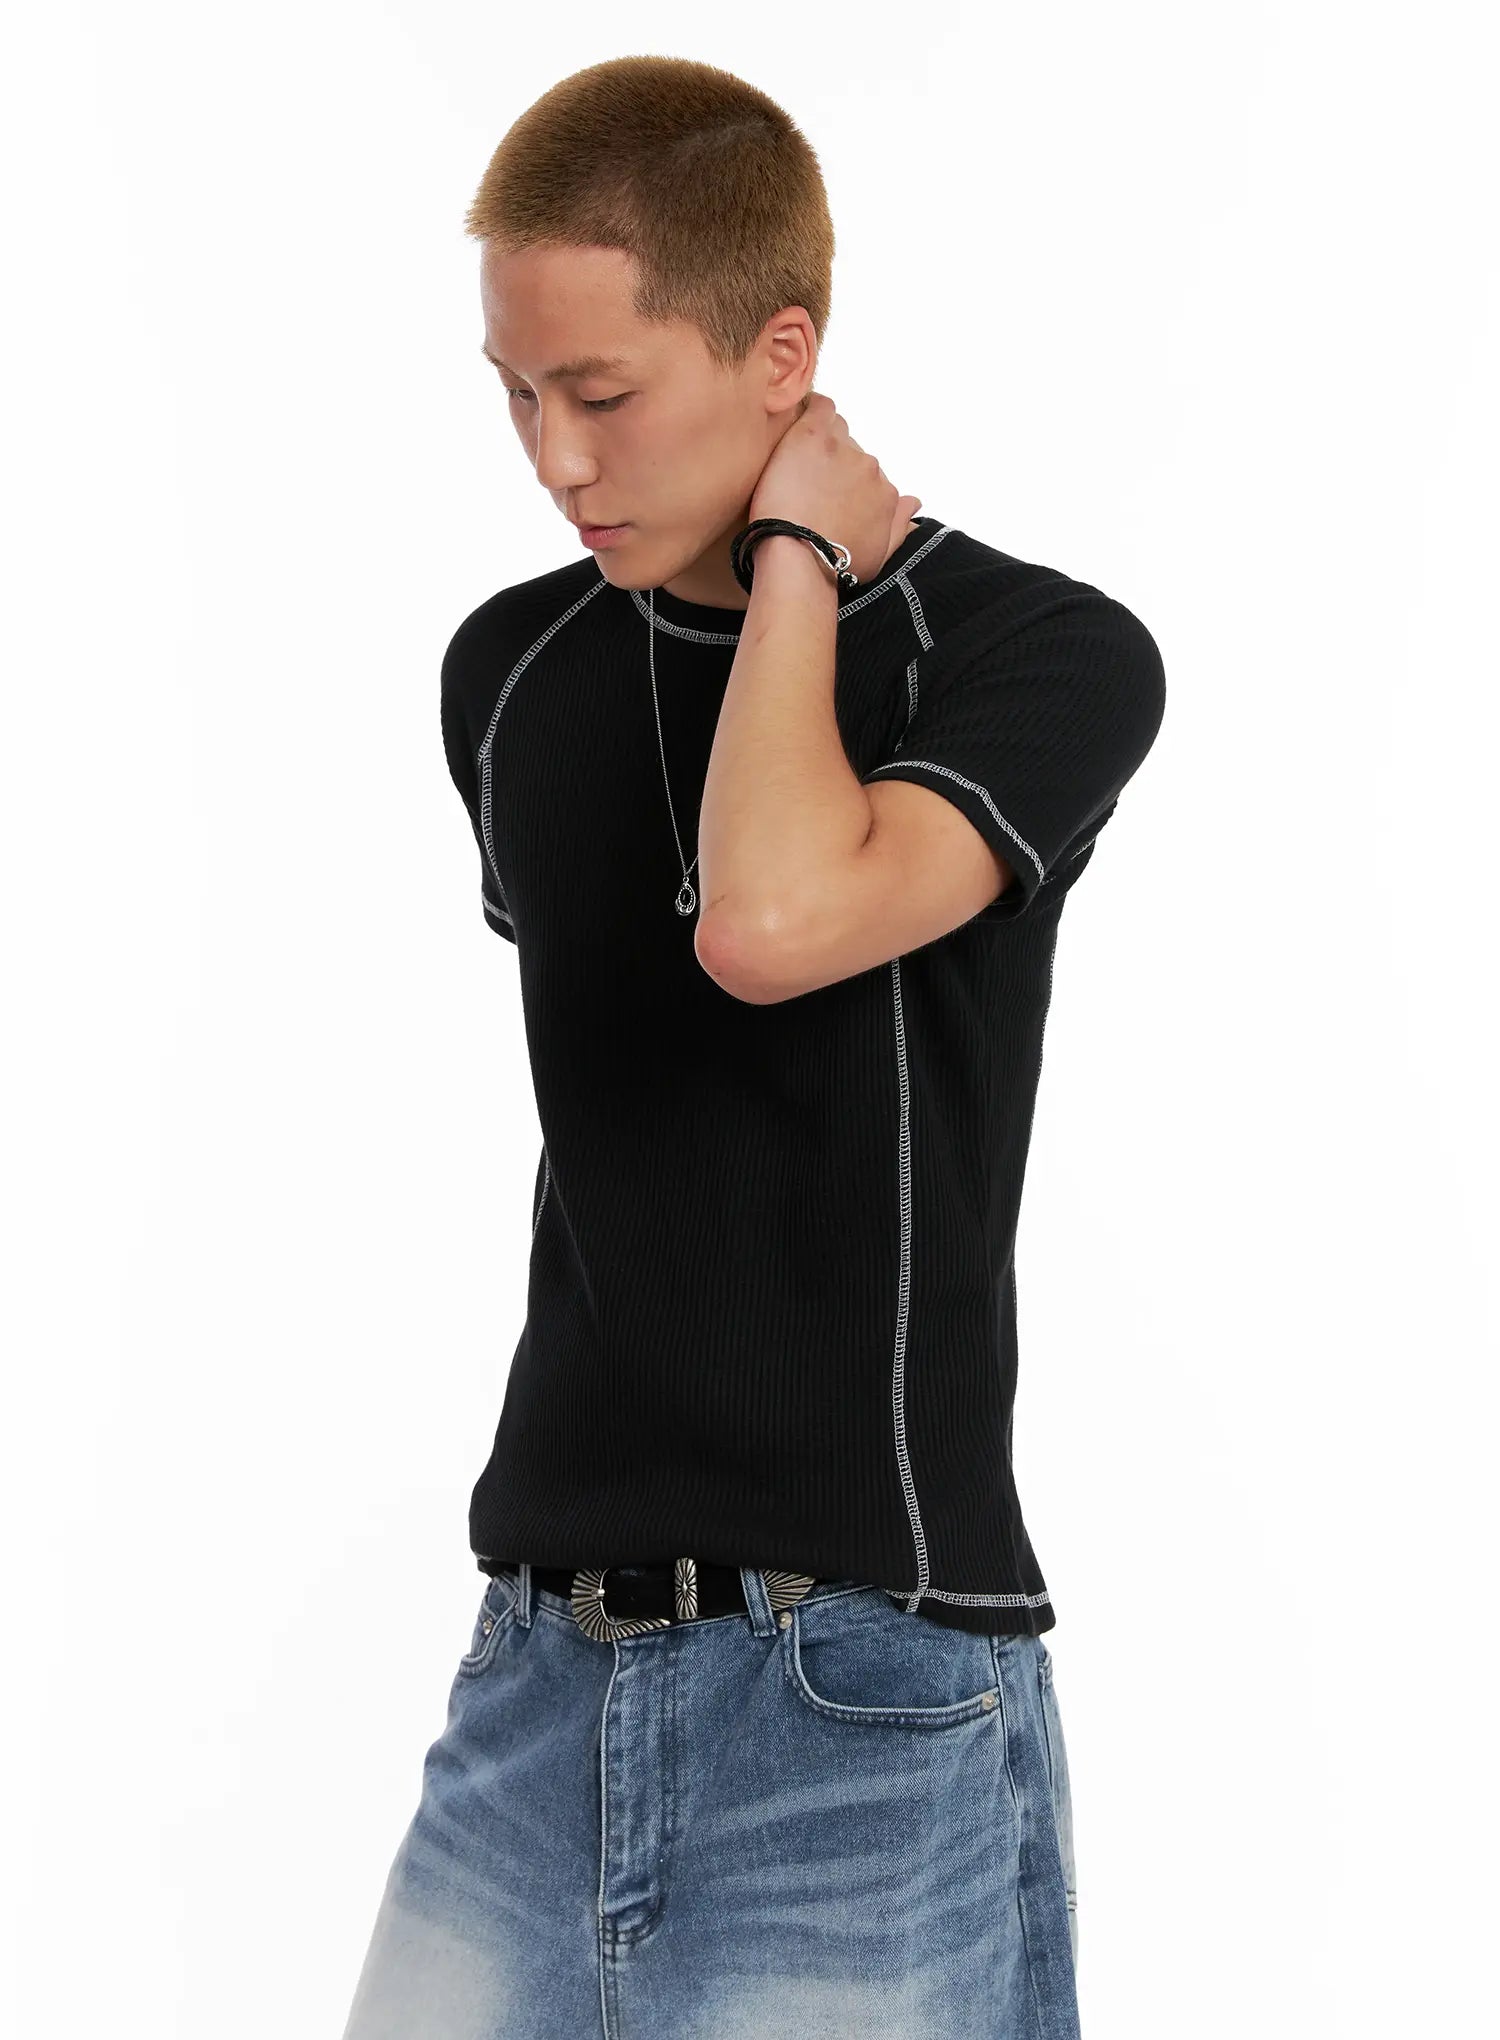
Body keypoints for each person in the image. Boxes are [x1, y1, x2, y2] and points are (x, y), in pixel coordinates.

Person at [341, 53, 1164, 2040]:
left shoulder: (1035, 654)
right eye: (514, 394)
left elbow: (771, 925)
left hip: (859, 1691)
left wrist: (800, 562)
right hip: (534, 1678)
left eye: (602, 393)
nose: (555, 457)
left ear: (782, 353)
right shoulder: (511, 671)